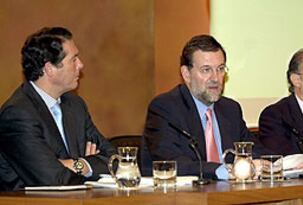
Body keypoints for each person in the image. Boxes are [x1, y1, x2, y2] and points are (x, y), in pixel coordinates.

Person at [0, 27, 116, 191]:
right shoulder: (17, 114)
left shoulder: (75, 105)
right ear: (49, 69)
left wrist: (80, 164)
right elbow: (53, 179)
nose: (81, 65)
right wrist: (90, 164)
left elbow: (117, 161)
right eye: (73, 59)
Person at [144, 35, 263, 179]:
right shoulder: (165, 108)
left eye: (220, 69)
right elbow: (172, 161)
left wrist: (261, 162)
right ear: (186, 74)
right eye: (206, 70)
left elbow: (253, 149)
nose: (215, 78)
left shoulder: (230, 109)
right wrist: (220, 171)